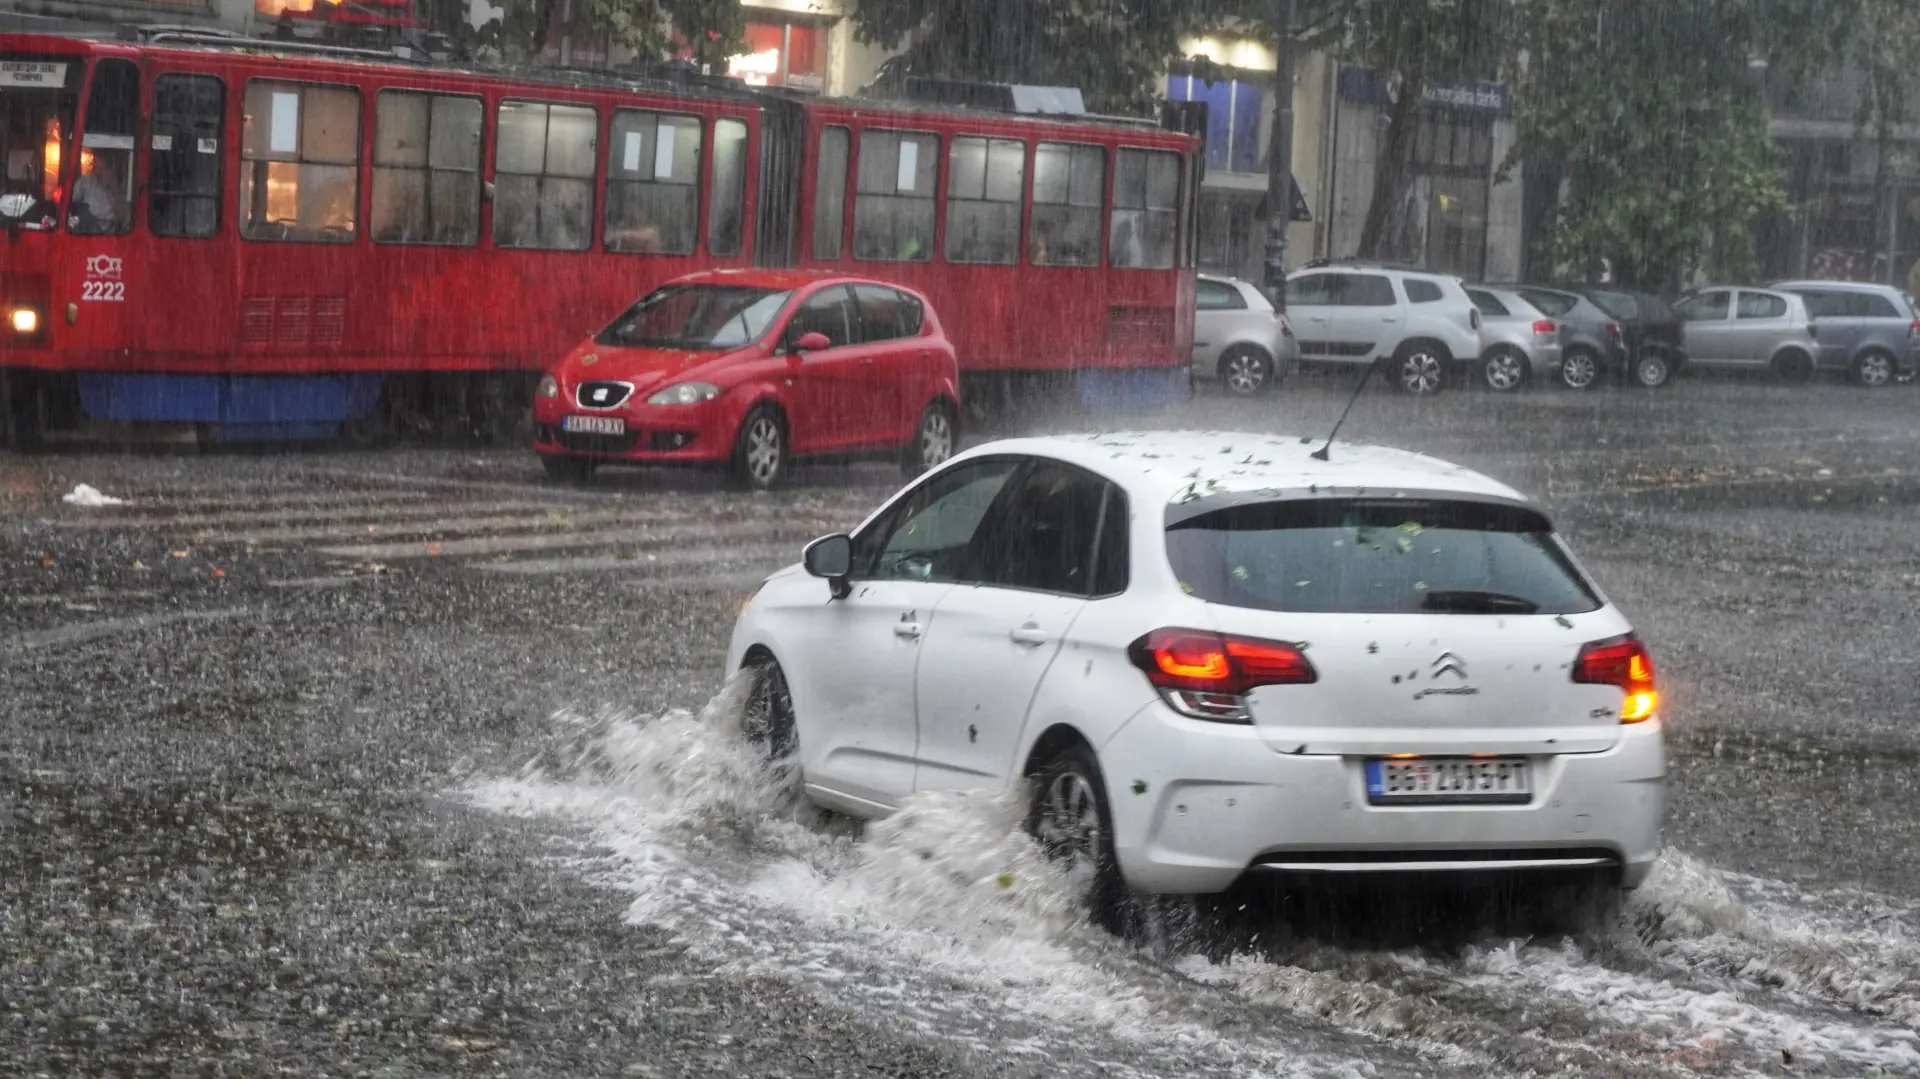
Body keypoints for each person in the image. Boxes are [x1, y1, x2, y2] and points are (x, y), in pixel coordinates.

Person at [70, 153, 129, 234]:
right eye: (96, 166)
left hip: (112, 234)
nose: (98, 172)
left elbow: (124, 219)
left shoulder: (124, 186)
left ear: (112, 168)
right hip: (86, 229)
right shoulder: (87, 181)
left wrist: (109, 189)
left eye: (103, 168)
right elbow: (70, 201)